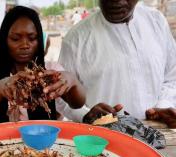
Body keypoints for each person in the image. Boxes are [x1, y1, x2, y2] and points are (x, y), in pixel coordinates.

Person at [58, 0, 176, 128]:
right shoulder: (76, 39)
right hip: (104, 140)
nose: (114, 1)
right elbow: (59, 94)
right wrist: (85, 115)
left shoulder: (156, 21)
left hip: (161, 134)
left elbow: (171, 76)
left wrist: (163, 105)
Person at [0, 6, 85, 124]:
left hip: (44, 140)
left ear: (39, 40)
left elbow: (77, 103)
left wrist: (72, 81)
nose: (25, 45)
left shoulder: (52, 70)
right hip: (5, 141)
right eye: (16, 39)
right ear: (4, 40)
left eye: (32, 38)